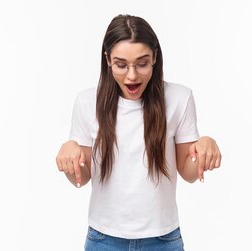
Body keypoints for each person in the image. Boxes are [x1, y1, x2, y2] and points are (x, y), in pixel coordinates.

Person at [55, 14, 222, 250]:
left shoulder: (179, 98)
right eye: (121, 65)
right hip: (104, 240)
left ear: (155, 58)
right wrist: (69, 155)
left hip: (163, 239)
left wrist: (206, 146)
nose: (132, 75)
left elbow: (189, 172)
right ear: (108, 60)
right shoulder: (86, 102)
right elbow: (80, 179)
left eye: (142, 63)